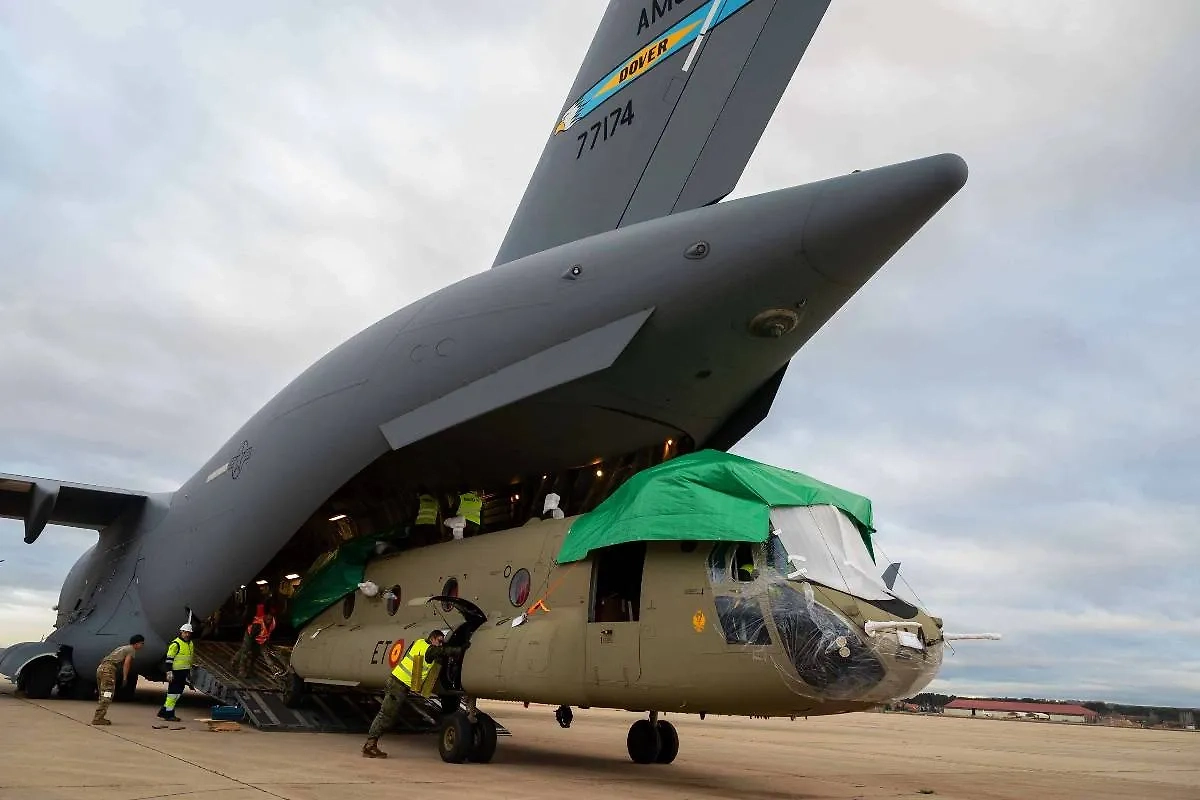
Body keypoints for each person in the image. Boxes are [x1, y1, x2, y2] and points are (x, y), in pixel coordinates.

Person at [362, 629, 465, 758]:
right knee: (386, 715)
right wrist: (459, 650)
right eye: (439, 641)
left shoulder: (420, 643)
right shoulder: (429, 649)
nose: (440, 644)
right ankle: (369, 746)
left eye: (442, 642)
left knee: (388, 715)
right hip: (398, 684)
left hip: (397, 682)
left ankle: (370, 745)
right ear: (432, 638)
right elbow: (440, 652)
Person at [92, 634, 145, 726]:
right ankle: (98, 718)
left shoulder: (123, 648)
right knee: (107, 694)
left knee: (103, 693)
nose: (142, 646)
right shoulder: (131, 650)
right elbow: (126, 664)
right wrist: (125, 677)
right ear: (136, 643)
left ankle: (99, 716)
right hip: (108, 670)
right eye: (142, 643)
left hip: (101, 668)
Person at [157, 623, 194, 721]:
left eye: (189, 633)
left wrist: (189, 672)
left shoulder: (190, 644)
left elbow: (189, 658)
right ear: (181, 632)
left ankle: (164, 712)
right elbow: (169, 660)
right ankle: (168, 714)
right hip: (175, 673)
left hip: (184, 672)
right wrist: (169, 672)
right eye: (185, 632)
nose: (187, 634)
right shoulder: (175, 644)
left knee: (177, 694)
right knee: (173, 694)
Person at [231, 604, 276, 678]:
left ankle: (236, 661)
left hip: (260, 638)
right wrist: (251, 646)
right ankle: (241, 670)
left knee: (255, 653)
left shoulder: (273, 623)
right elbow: (252, 636)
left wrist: (265, 643)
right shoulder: (257, 624)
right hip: (250, 635)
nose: (269, 620)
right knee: (246, 650)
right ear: (265, 616)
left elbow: (269, 633)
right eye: (268, 618)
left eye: (271, 619)